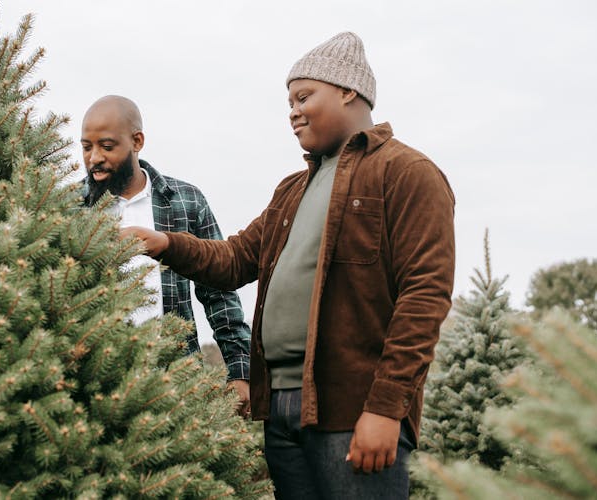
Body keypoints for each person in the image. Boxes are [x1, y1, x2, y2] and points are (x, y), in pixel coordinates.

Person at [123, 32, 456, 499]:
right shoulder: (292, 190)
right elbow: (236, 258)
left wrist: (385, 409)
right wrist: (165, 243)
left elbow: (425, 296)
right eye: (289, 101)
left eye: (304, 97)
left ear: (347, 91)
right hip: (281, 407)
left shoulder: (406, 173)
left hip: (352, 408)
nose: (293, 111)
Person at [80, 95, 251, 415]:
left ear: (137, 141)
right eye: (86, 147)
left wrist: (240, 369)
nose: (94, 158)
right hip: (97, 386)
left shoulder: (185, 201)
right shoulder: (72, 208)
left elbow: (219, 291)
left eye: (106, 146)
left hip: (178, 381)